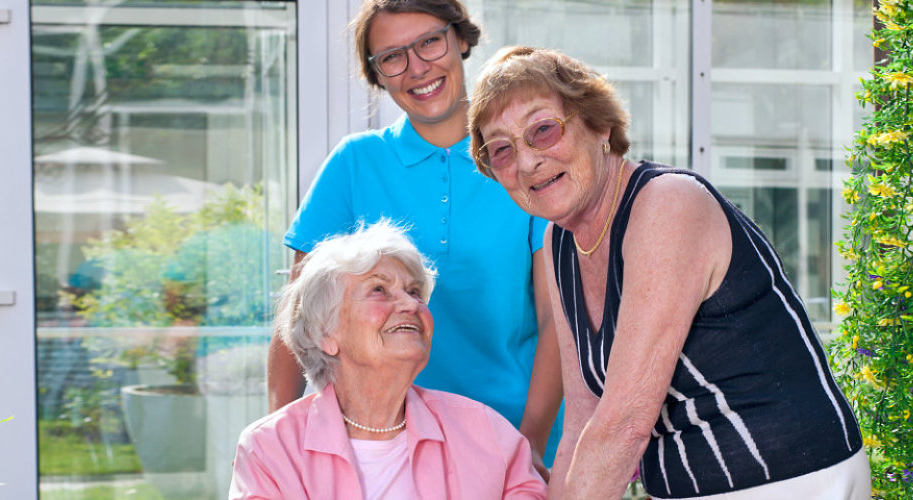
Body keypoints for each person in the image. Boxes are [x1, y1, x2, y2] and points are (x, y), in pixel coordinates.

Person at [467, 46, 872, 499]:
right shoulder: (561, 242)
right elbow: (585, 419)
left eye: (542, 130)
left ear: (600, 125)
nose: (526, 163)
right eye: (501, 150)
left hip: (790, 479)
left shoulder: (667, 204)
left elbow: (623, 425)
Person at [273, 0, 563, 468]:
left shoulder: (519, 158)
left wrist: (530, 439)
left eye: (429, 42)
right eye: (392, 56)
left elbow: (559, 319)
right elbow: (298, 320)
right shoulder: (353, 164)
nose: (416, 68)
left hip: (512, 436)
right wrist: (279, 443)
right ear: (378, 74)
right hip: (379, 443)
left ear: (461, 39)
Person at [231, 222, 547, 499]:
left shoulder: (488, 434)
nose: (410, 304)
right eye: (379, 290)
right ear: (325, 332)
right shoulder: (270, 449)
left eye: (414, 291)